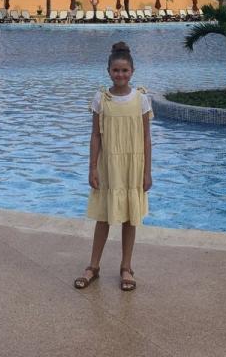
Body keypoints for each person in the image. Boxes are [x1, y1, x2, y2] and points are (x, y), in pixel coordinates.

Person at [73, 42, 152, 292]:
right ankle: (93, 266)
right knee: (104, 217)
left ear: (132, 71)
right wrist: (92, 168)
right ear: (108, 71)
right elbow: (95, 136)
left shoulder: (141, 99)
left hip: (132, 166)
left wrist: (147, 171)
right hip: (108, 166)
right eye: (116, 70)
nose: (120, 75)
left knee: (130, 218)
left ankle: (126, 267)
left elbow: (146, 138)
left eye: (125, 71)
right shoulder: (101, 99)